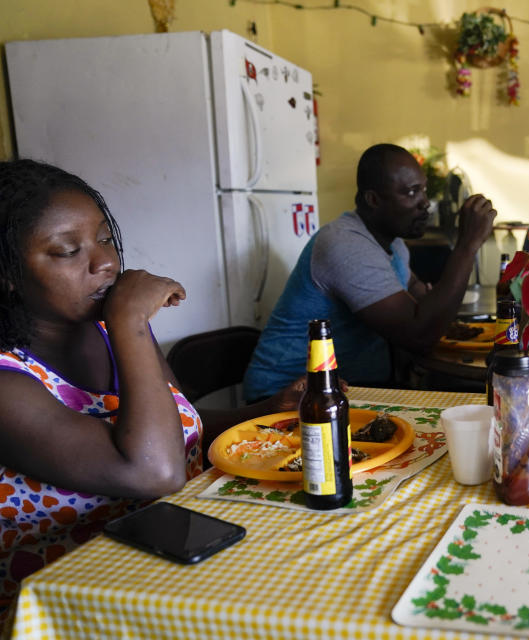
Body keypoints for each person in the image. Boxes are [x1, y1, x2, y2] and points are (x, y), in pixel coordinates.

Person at [0, 160, 303, 621]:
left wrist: (270, 409)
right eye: (67, 251)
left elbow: (179, 429)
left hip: (174, 559)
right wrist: (130, 321)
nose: (104, 262)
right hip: (73, 605)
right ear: (8, 275)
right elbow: (154, 470)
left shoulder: (105, 332)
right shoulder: (8, 382)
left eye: (104, 238)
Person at [243, 143, 496, 400]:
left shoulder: (393, 244)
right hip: (286, 398)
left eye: (423, 190)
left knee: (468, 403)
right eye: (411, 192)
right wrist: (467, 245)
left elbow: (423, 300)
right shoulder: (344, 243)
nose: (425, 203)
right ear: (373, 200)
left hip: (350, 389)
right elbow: (420, 334)